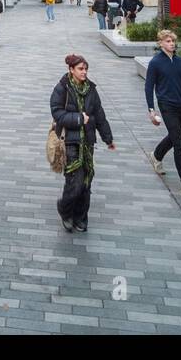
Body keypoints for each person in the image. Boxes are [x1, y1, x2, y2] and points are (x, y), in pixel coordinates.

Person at [49, 53, 115, 232]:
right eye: (80, 69)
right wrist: (79, 118)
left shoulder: (91, 89)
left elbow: (99, 115)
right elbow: (57, 112)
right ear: (71, 70)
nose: (84, 72)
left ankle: (80, 216)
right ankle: (65, 210)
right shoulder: (62, 88)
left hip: (87, 142)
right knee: (75, 181)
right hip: (69, 142)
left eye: (86, 69)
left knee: (87, 181)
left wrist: (108, 138)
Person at [145, 30, 181, 202]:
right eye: (168, 41)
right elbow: (149, 87)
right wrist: (151, 110)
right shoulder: (155, 63)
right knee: (179, 143)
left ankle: (156, 156)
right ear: (161, 43)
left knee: (174, 136)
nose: (171, 44)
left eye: (173, 41)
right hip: (167, 106)